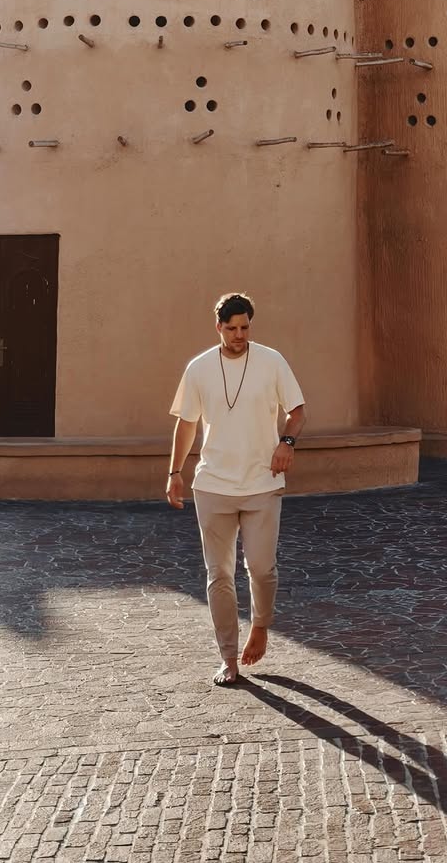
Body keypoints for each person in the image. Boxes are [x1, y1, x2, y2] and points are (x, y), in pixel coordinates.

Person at [167, 291, 305, 686]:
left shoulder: (272, 361)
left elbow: (297, 411)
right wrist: (175, 472)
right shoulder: (198, 368)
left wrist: (286, 443)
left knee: (261, 568)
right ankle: (228, 657)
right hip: (213, 485)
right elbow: (186, 424)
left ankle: (260, 625)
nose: (240, 335)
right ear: (219, 327)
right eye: (232, 328)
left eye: (245, 327)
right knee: (219, 574)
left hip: (262, 482)